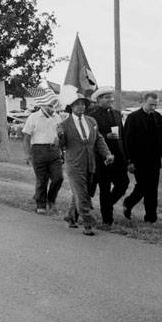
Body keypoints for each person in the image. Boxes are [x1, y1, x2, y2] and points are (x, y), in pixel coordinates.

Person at [58, 94, 114, 236]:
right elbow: (61, 145)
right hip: (74, 164)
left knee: (83, 191)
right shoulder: (64, 124)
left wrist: (107, 154)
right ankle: (88, 222)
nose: (81, 107)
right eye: (77, 104)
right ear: (71, 107)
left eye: (83, 104)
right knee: (82, 194)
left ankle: (70, 217)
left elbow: (99, 140)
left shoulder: (91, 121)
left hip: (90, 162)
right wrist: (59, 136)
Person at [122, 92, 162, 224]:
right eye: (151, 105)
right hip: (138, 160)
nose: (153, 108)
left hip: (154, 160)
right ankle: (128, 203)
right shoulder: (133, 118)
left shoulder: (157, 117)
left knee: (152, 190)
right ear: (143, 102)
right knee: (143, 187)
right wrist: (129, 161)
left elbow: (161, 140)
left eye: (155, 105)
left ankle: (150, 218)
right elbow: (127, 141)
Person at [88, 86, 129, 228]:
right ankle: (107, 220)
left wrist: (126, 156)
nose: (110, 100)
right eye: (106, 97)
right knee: (104, 188)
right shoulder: (92, 114)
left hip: (118, 157)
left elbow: (122, 136)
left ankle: (107, 205)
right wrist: (107, 136)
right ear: (99, 99)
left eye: (111, 97)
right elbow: (91, 136)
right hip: (101, 157)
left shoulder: (117, 114)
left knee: (123, 184)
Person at [22, 92, 63, 214]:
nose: (52, 109)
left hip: (54, 151)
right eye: (50, 106)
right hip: (38, 150)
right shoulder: (33, 117)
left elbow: (61, 135)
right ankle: (41, 204)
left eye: (53, 106)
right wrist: (27, 154)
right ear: (43, 105)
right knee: (42, 179)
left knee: (58, 178)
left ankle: (51, 199)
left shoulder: (57, 118)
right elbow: (26, 137)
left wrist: (60, 141)